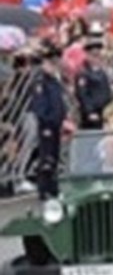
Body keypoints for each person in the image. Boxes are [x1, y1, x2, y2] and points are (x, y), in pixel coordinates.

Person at [29, 43, 69, 200]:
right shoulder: (41, 81)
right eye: (51, 63)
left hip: (57, 123)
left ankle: (53, 187)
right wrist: (47, 122)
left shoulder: (54, 80)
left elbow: (59, 101)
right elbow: (40, 106)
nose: (54, 66)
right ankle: (44, 189)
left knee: (55, 156)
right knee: (47, 158)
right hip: (48, 125)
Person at [74, 33, 113, 130]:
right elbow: (83, 95)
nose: (97, 58)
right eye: (94, 55)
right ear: (87, 55)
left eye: (98, 55)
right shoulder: (83, 73)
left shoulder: (102, 71)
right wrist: (90, 112)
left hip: (104, 111)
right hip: (92, 113)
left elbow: (107, 90)